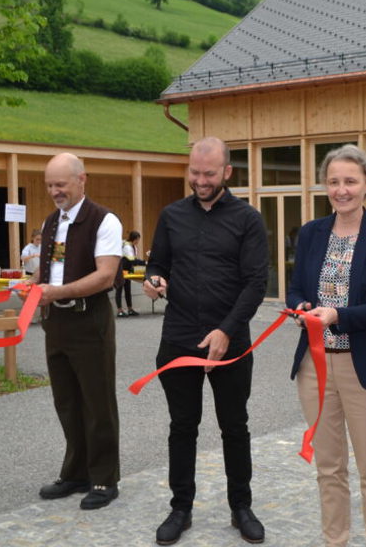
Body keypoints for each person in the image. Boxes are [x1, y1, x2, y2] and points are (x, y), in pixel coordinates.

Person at [143, 137, 269, 545]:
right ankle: (181, 508)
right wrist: (154, 279)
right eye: (194, 173)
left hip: (231, 340)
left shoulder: (248, 219)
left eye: (209, 174)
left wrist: (227, 330)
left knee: (235, 426)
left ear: (227, 173)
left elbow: (256, 283)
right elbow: (157, 263)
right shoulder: (171, 216)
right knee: (183, 426)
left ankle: (241, 506)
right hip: (179, 337)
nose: (200, 181)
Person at [285, 144, 366, 547]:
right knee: (328, 468)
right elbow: (296, 288)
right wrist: (300, 307)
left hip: (365, 367)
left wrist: (337, 316)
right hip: (315, 369)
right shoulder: (311, 233)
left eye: (350, 181)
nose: (342, 189)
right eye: (334, 181)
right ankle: (335, 541)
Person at [31, 153, 123, 510]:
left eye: (61, 185)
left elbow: (105, 275)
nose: (55, 192)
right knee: (67, 400)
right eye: (50, 185)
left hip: (89, 319)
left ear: (81, 180)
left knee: (97, 401)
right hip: (57, 321)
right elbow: (49, 271)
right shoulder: (51, 222)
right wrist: (30, 286)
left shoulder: (104, 220)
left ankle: (104, 478)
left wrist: (56, 292)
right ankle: (75, 472)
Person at [115, 230, 143, 318]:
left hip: (128, 271)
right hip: (120, 270)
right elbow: (132, 260)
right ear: (134, 239)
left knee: (128, 289)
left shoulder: (133, 246)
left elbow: (135, 259)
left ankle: (130, 309)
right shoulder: (127, 246)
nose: (138, 241)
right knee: (119, 289)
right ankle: (119, 310)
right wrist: (144, 263)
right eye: (138, 239)